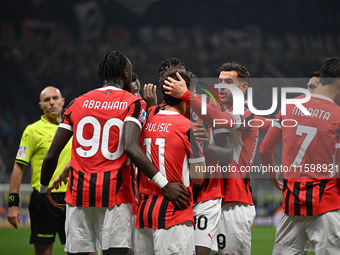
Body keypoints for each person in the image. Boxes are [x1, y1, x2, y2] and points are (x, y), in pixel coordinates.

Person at [40, 51, 190, 255]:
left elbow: (51, 156)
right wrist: (164, 184)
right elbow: (130, 146)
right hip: (115, 194)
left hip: (78, 194)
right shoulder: (133, 103)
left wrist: (43, 189)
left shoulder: (77, 103)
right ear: (126, 73)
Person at [163, 62, 261, 255]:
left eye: (228, 82)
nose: (221, 86)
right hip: (212, 197)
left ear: (243, 87)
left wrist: (186, 94)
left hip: (235, 201)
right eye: (220, 81)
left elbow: (220, 120)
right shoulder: (213, 110)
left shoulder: (246, 113)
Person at [259, 57, 340, 254]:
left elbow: (264, 149)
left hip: (291, 204)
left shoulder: (288, 106)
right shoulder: (337, 115)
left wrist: (273, 176)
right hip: (326, 204)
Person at [133, 69, 205, 255]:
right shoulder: (190, 128)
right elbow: (197, 177)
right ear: (183, 94)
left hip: (145, 214)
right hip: (174, 214)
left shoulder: (145, 122)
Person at [7, 86, 71, 255]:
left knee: (83, 250)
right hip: (44, 198)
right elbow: (18, 167)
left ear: (62, 101)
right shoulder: (32, 131)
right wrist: (13, 204)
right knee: (43, 252)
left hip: (73, 198)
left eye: (55, 98)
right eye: (46, 100)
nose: (51, 102)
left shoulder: (73, 128)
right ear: (40, 105)